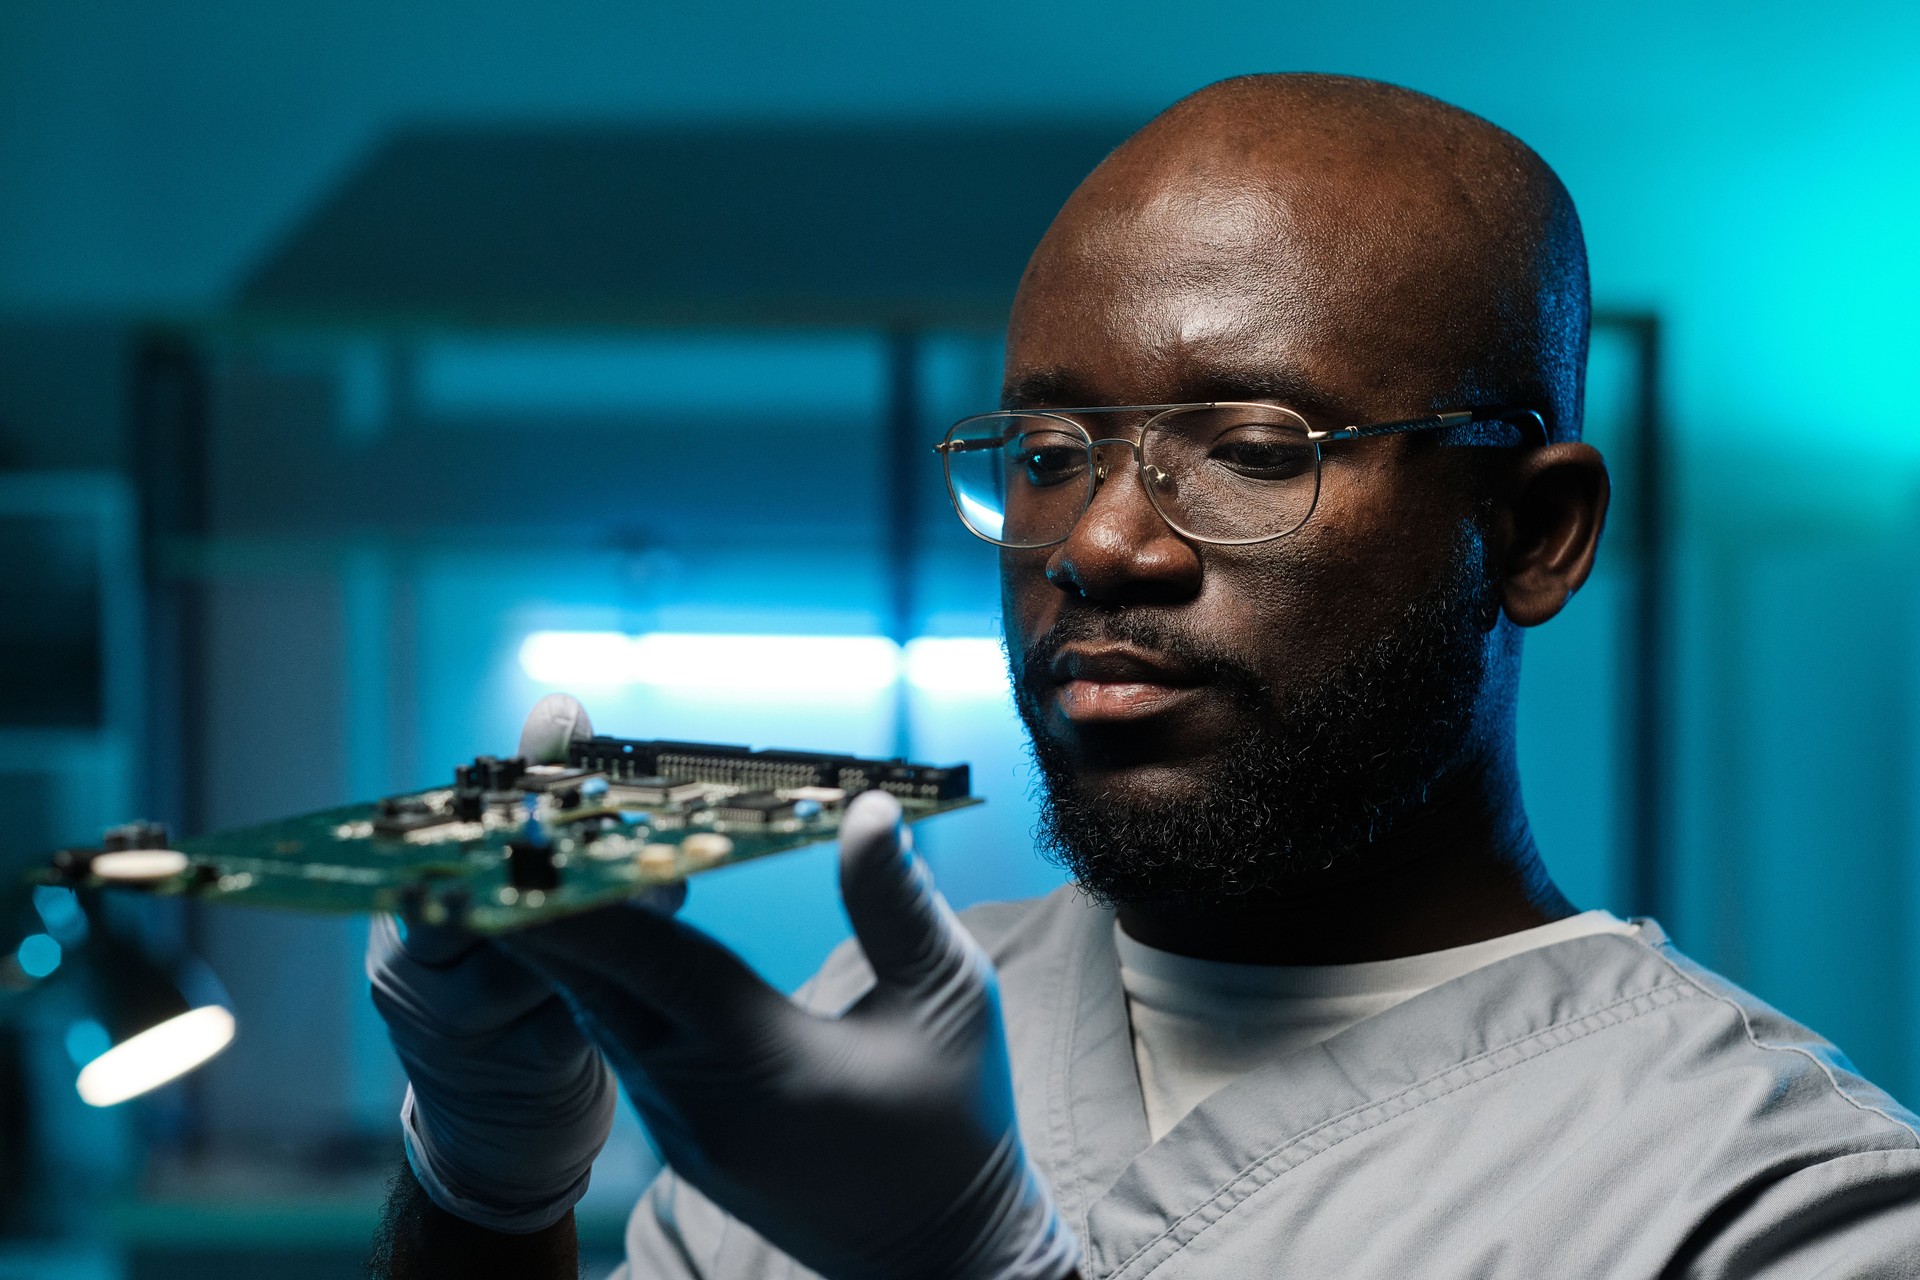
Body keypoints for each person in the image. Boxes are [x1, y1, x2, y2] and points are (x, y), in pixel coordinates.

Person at [367, 74, 1920, 1278]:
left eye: (1252, 453)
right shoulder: (873, 1034)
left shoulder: (1769, 1202)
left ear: (1534, 532)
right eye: (1047, 454)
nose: (1097, 543)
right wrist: (487, 1188)